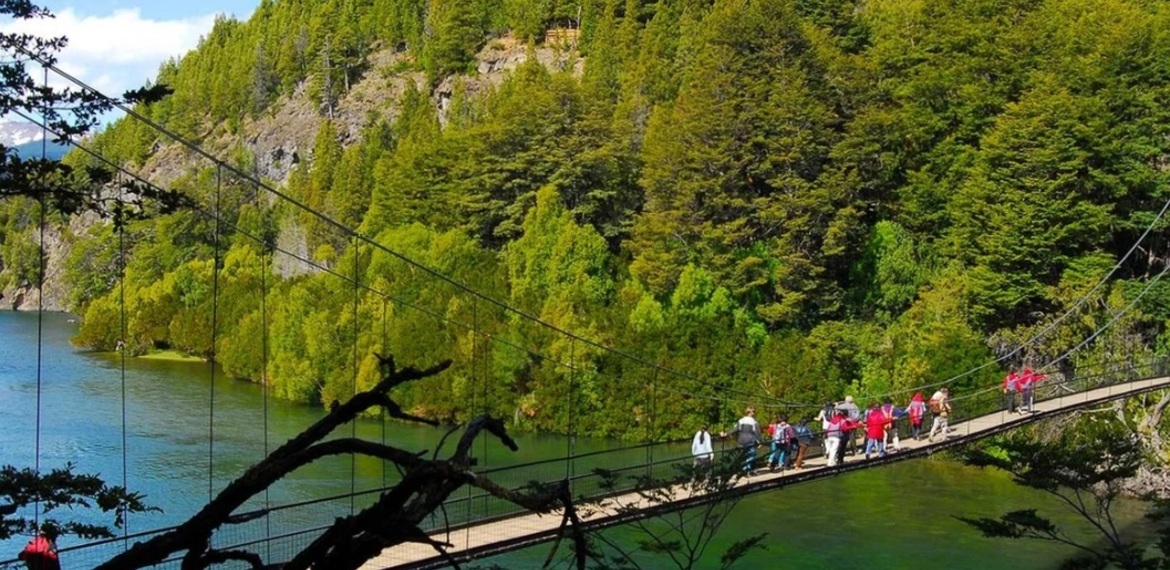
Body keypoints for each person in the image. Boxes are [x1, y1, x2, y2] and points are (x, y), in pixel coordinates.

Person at [724, 406, 761, 475]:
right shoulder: (754, 422)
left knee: (743, 456)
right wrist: (759, 441)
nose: (755, 413)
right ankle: (747, 470)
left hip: (741, 441)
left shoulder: (741, 420)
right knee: (750, 456)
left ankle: (743, 470)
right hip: (750, 441)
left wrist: (726, 434)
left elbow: (735, 430)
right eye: (754, 412)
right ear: (751, 413)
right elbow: (757, 433)